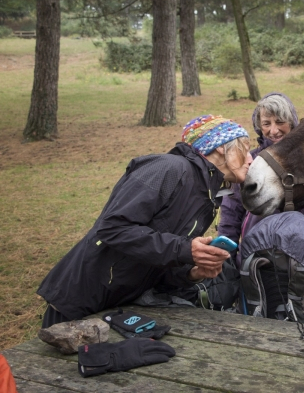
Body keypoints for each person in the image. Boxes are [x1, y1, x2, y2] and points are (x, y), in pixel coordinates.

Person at [38, 115, 253, 327]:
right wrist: (184, 249)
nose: (251, 159)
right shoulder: (168, 168)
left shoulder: (207, 197)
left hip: (121, 306)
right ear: (221, 148)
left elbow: (159, 258)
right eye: (245, 147)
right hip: (80, 298)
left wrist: (193, 272)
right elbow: (112, 228)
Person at [218, 92, 304, 269]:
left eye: (280, 121)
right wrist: (228, 261)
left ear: (292, 123)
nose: (273, 130)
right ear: (259, 126)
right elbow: (231, 212)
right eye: (267, 123)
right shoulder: (249, 161)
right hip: (255, 258)